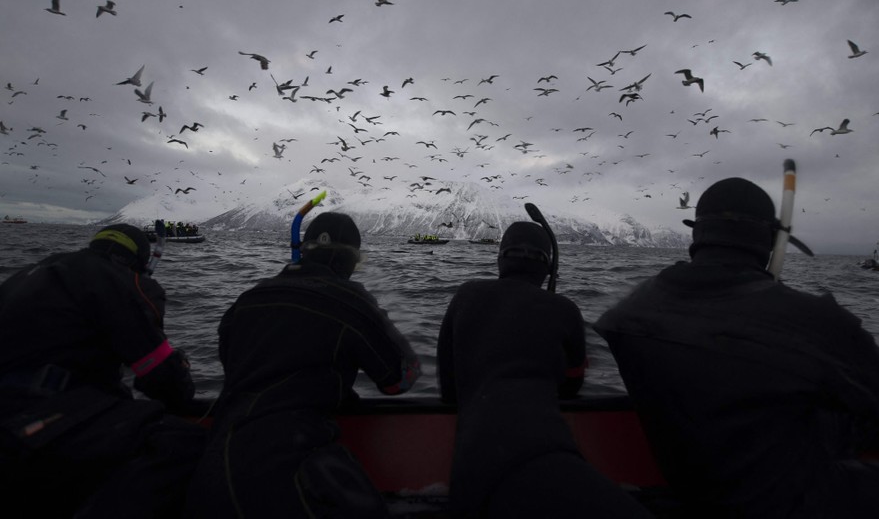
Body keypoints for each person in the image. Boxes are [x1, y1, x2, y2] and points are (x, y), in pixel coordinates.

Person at [595, 177, 879, 518]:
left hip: (693, 491)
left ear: (696, 234)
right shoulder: (812, 320)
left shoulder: (625, 314)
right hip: (796, 500)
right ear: (771, 239)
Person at [184, 211, 421, 518]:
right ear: (347, 261)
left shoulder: (247, 300)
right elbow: (398, 380)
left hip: (213, 469)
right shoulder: (350, 302)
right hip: (289, 473)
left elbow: (235, 368)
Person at [438, 221, 653, 518]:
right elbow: (571, 386)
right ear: (548, 269)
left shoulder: (465, 296)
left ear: (501, 259)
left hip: (470, 471)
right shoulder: (564, 309)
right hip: (544, 454)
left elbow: (449, 389)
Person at [0, 223, 203, 518]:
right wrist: (183, 392)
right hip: (40, 416)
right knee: (186, 445)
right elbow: (159, 376)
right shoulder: (124, 282)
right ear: (138, 260)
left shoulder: (29, 273)